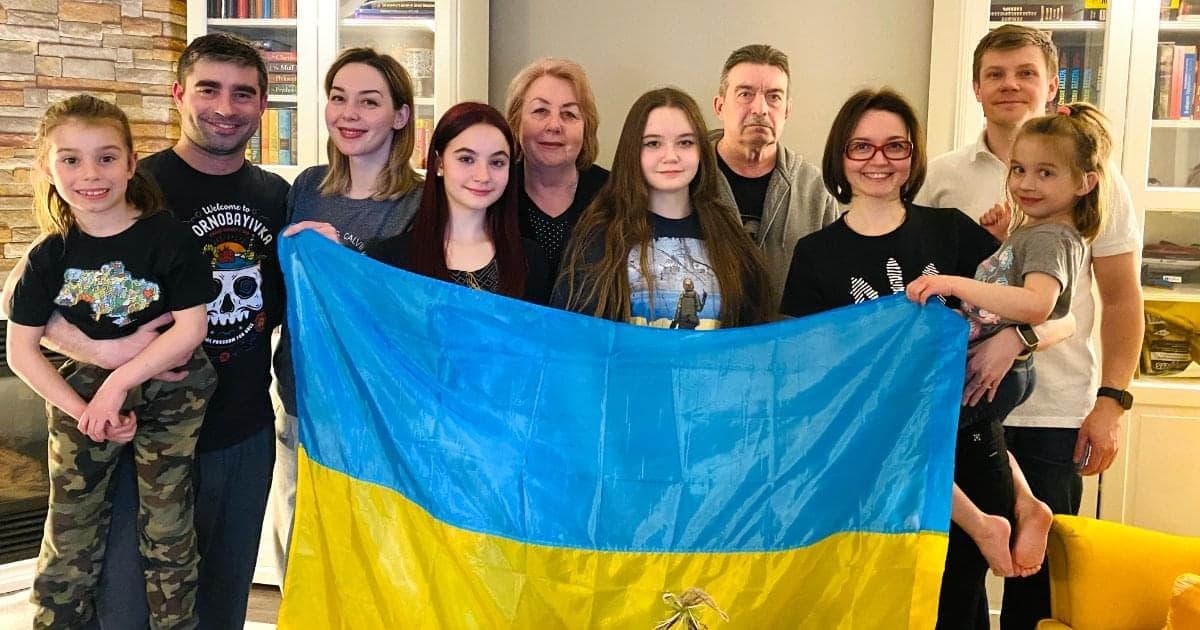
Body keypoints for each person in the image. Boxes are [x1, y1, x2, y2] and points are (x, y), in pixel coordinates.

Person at [0, 32, 291, 629]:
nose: (225, 106)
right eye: (208, 88)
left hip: (241, 428)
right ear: (178, 94)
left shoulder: (276, 197)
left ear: (263, 105)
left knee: (220, 603)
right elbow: (22, 306)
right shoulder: (130, 185)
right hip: (134, 430)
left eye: (244, 93)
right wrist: (105, 354)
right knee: (129, 606)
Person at [778, 88, 1063, 630]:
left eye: (894, 146)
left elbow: (1056, 314)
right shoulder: (814, 253)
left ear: (913, 155)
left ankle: (1018, 508)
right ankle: (1023, 507)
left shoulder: (951, 230)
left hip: (963, 441)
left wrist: (1016, 340)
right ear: (840, 156)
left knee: (958, 594)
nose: (878, 160)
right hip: (874, 455)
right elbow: (803, 362)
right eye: (861, 147)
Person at [915, 25, 1144, 629]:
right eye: (996, 73)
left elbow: (1116, 301)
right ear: (976, 87)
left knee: (1038, 586)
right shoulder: (942, 175)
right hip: (966, 397)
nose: (1010, 85)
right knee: (955, 572)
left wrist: (1112, 402)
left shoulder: (1098, 177)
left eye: (1025, 73)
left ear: (1051, 85)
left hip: (1053, 409)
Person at [7, 94, 215, 629]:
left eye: (105, 157)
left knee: (168, 529)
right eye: (70, 159)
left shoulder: (168, 236)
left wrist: (117, 382)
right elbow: (21, 349)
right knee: (70, 531)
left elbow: (192, 329)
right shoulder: (49, 254)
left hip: (171, 387)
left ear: (129, 163)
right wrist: (86, 409)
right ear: (48, 169)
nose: (90, 173)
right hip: (77, 396)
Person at [272, 47, 425, 577]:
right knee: (303, 545)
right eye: (338, 99)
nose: (349, 114)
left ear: (401, 115)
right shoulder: (307, 187)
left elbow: (413, 308)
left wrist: (346, 253)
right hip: (303, 401)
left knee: (378, 556)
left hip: (380, 411)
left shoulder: (424, 201)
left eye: (369, 102)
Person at [553, 87, 772, 328]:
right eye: (653, 143)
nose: (671, 156)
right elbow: (575, 338)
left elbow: (754, 336)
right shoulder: (598, 236)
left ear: (701, 151)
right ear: (633, 151)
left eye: (685, 142)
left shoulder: (730, 235)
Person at [366, 102, 550, 302]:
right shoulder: (388, 260)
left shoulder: (530, 260)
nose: (483, 176)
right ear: (439, 164)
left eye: (497, 163)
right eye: (466, 159)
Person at [710, 44, 840, 303]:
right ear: (719, 105)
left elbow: (835, 287)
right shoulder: (686, 178)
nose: (760, 109)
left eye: (774, 96)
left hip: (789, 341)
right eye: (745, 94)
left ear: (787, 110)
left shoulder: (815, 192)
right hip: (704, 341)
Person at [504, 57, 609, 277]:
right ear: (516, 122)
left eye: (569, 114)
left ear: (586, 128)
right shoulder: (495, 192)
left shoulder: (613, 195)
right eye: (540, 111)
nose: (554, 125)